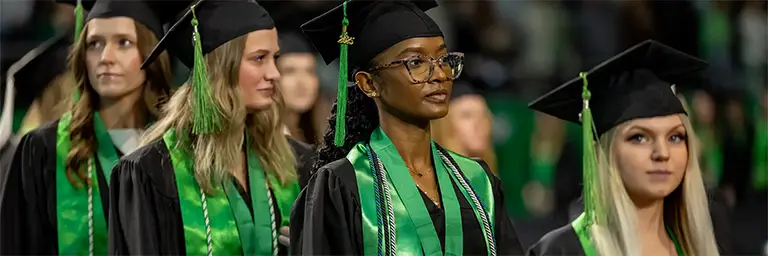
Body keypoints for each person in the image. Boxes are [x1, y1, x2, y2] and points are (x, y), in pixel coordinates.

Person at [292, 0, 524, 254]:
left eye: (443, 59)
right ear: (369, 83)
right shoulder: (343, 184)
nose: (439, 74)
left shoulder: (477, 180)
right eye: (415, 62)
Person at [107, 0, 314, 254]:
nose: (274, 73)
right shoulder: (152, 173)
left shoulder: (298, 161)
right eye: (259, 58)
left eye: (275, 58)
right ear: (219, 68)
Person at [0, 0, 175, 254]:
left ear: (151, 54)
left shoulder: (175, 151)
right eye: (95, 44)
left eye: (123, 42)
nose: (105, 58)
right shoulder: (43, 150)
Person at [527, 40, 725, 256]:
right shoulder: (562, 251)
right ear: (600, 152)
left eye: (675, 137)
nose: (662, 153)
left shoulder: (699, 246)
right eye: (639, 137)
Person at [431, 81, 497, 174]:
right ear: (445, 125)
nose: (479, 124)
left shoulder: (487, 180)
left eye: (484, 115)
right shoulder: (436, 180)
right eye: (467, 115)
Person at [277, 31, 325, 145]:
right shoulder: (265, 141)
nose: (302, 82)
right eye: (290, 71)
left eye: (310, 71)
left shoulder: (314, 137)